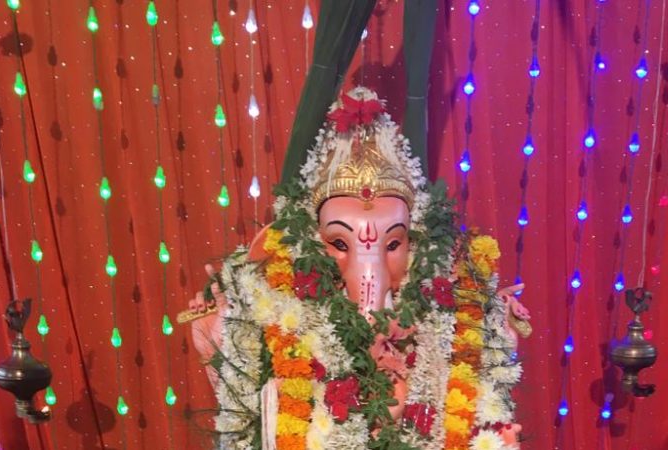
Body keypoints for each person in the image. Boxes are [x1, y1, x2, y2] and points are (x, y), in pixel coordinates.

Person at [185, 87, 530, 450]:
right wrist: (218, 336)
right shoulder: (288, 306)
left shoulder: (438, 307)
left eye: (393, 244)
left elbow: (472, 405)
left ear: (414, 241)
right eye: (338, 244)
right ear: (314, 241)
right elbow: (245, 422)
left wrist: (492, 324)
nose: (370, 270)